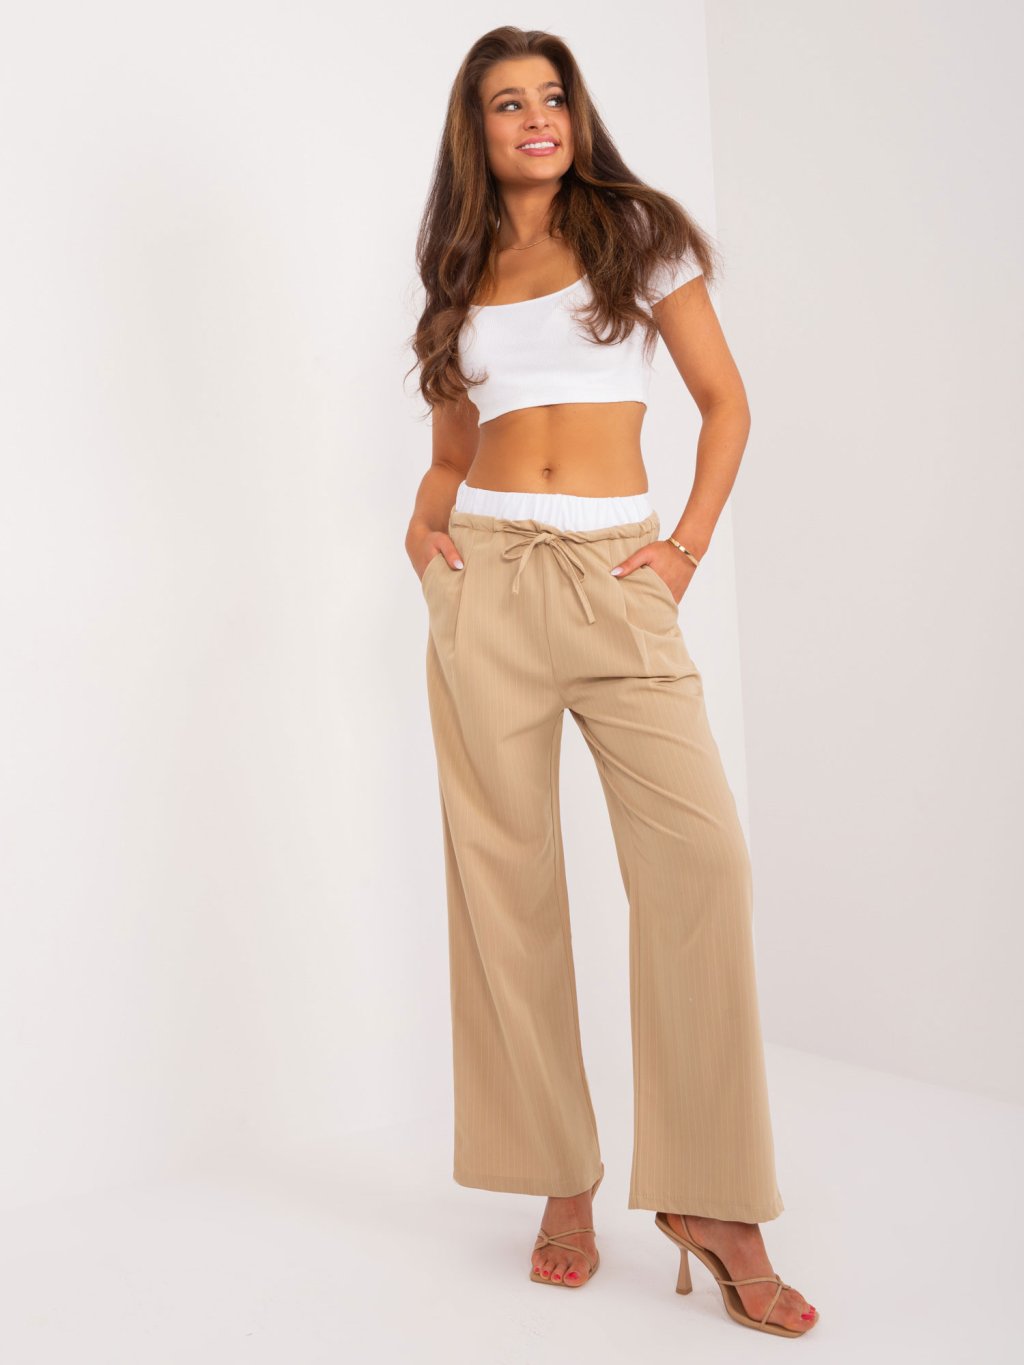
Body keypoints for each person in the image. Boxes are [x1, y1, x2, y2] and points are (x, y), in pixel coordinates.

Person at [404, 26, 819, 1338]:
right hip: (487, 580)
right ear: (476, 130)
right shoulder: (459, 266)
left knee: (702, 866)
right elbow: (453, 442)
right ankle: (562, 1178)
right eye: (507, 102)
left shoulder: (640, 232)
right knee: (506, 886)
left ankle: (713, 1201)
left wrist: (682, 550)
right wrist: (426, 533)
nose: (535, 116)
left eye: (553, 96)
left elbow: (725, 402)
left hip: (617, 574)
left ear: (577, 114)